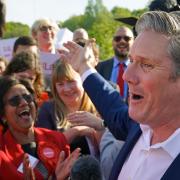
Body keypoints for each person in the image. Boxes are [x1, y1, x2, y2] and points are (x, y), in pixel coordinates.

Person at [60, 11, 180, 180]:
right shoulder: (137, 125)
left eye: (146, 65)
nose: (126, 76)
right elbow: (112, 105)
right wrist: (84, 67)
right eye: (131, 61)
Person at [0, 75, 70, 179]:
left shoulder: (58, 139)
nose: (24, 103)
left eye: (28, 97)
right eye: (15, 101)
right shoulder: (2, 154)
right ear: (3, 115)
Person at [36, 60, 99, 156]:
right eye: (60, 84)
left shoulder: (98, 105)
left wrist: (97, 129)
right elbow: (47, 149)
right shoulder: (47, 110)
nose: (67, 89)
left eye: (71, 82)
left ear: (82, 80)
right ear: (54, 87)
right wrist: (77, 131)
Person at [96, 26, 134, 101]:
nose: (122, 41)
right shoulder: (100, 67)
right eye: (117, 39)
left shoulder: (140, 68)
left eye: (127, 38)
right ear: (113, 42)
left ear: (134, 41)